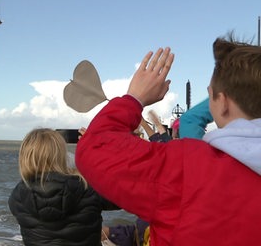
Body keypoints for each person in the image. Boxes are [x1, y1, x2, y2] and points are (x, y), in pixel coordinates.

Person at [74, 36, 261, 245]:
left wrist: (135, 98)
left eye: (211, 96)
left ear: (223, 102)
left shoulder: (188, 170)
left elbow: (95, 146)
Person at [8, 128, 119, 246]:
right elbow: (126, 197)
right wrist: (100, 151)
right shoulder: (87, 187)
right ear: (62, 155)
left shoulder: (17, 197)